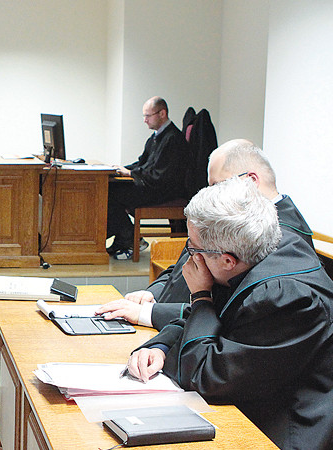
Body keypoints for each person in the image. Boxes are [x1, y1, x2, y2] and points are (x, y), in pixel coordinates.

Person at [124, 177, 333, 450]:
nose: (191, 257)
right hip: (253, 397)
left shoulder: (287, 298)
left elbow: (205, 376)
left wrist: (200, 296)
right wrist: (161, 346)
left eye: (193, 248)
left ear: (227, 261)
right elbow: (212, 318)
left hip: (283, 429)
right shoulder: (258, 249)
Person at [96, 139, 315, 330]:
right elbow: (185, 264)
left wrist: (148, 314)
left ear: (251, 181)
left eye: (218, 185)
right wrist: (154, 293)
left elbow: (225, 311)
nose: (212, 194)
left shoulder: (278, 237)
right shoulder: (232, 217)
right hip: (168, 320)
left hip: (187, 333)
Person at [107, 96, 190, 259]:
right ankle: (127, 237)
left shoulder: (173, 139)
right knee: (110, 187)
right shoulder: (156, 137)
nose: (145, 120)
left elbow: (161, 176)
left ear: (162, 114)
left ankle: (129, 238)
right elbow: (142, 163)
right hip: (153, 185)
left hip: (163, 191)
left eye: (148, 116)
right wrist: (121, 170)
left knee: (111, 193)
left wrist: (131, 174)